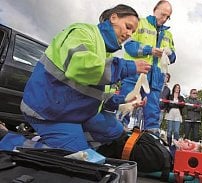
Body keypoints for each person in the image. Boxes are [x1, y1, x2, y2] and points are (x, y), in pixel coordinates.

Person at [19, 4, 151, 152]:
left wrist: (125, 101)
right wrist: (129, 67)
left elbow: (98, 98)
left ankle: (63, 141)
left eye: (132, 31)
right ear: (113, 17)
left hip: (70, 110)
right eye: (128, 26)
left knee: (115, 130)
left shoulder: (106, 53)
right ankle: (18, 145)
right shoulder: (82, 32)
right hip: (48, 111)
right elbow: (81, 66)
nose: (129, 34)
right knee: (78, 160)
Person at [120, 0, 176, 135]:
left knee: (153, 114)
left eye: (167, 17)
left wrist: (169, 54)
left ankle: (151, 141)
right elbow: (128, 45)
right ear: (155, 10)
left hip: (155, 79)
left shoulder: (168, 34)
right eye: (163, 14)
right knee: (126, 107)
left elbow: (173, 58)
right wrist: (149, 50)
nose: (164, 19)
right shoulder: (140, 23)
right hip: (134, 74)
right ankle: (117, 136)